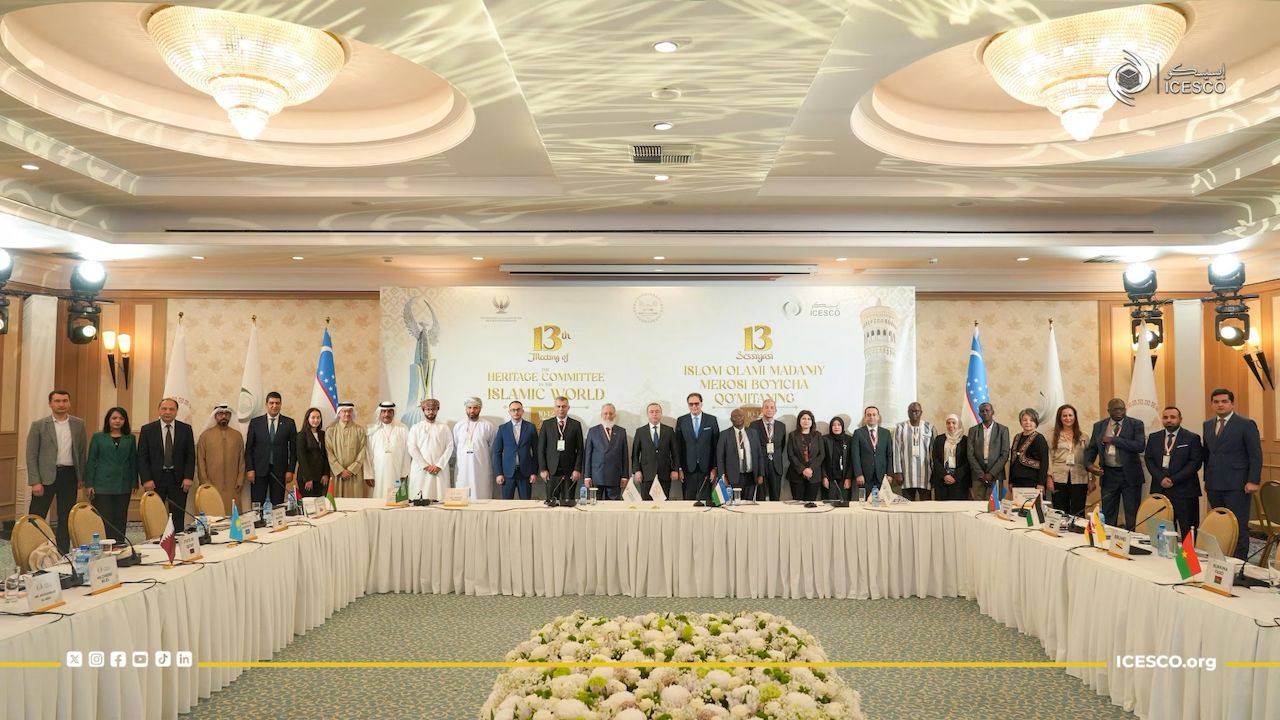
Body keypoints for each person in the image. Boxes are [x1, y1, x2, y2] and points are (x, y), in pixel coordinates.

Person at [1202, 388, 1262, 560]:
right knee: (1220, 523)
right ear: (1212, 404)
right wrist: (1207, 479)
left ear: (1232, 403)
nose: (1220, 405)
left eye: (1224, 401)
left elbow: (1255, 454)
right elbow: (1207, 454)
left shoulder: (1246, 424)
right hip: (1214, 484)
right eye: (1216, 402)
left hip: (1238, 484)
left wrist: (1253, 480)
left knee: (1238, 525)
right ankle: (1221, 559)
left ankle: (1239, 561)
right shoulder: (1207, 425)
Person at [26, 390, 87, 553]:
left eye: (65, 401)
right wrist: (35, 481)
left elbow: (81, 452)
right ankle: (33, 551)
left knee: (66, 517)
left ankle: (62, 552)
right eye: (57, 401)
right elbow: (31, 455)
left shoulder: (78, 424)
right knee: (36, 516)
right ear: (50, 404)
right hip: (44, 477)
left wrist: (81, 477)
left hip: (69, 475)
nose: (61, 404)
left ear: (69, 403)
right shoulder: (39, 425)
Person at [1084, 398, 1146, 530]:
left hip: (1129, 475)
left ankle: (1131, 539)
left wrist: (1114, 440)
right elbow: (1092, 449)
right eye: (1115, 409)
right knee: (1108, 513)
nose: (1119, 412)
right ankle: (1107, 538)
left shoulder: (1136, 424)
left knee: (1132, 513)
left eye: (1121, 409)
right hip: (1108, 475)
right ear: (1108, 411)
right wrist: (1089, 465)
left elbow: (1140, 446)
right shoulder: (1099, 426)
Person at [137, 398, 196, 532]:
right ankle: (156, 540)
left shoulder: (185, 429)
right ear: (159, 411)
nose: (167, 412)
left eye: (171, 409)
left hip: (179, 480)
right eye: (164, 409)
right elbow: (142, 457)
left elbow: (190, 455)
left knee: (178, 516)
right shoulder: (147, 429)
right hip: (154, 480)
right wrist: (146, 479)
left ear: (176, 412)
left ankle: (178, 540)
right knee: (154, 515)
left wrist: (188, 477)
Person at [1144, 406, 1203, 537]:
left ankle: (1188, 551)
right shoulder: (1154, 437)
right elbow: (1149, 460)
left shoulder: (1192, 438)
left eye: (1173, 417)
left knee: (1188, 528)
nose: (1169, 420)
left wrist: (1173, 479)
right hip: (1160, 488)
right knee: (1163, 528)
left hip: (1185, 490)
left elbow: (1195, 463)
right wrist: (1161, 478)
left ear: (1180, 419)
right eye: (1165, 417)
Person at [85, 407, 136, 545]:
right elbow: (91, 460)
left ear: (125, 421)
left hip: (123, 484)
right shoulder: (98, 437)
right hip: (102, 485)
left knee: (120, 517)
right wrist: (89, 484)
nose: (117, 421)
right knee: (105, 518)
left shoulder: (130, 438)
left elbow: (133, 461)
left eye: (121, 418)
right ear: (108, 420)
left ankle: (119, 545)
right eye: (114, 418)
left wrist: (134, 482)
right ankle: (105, 546)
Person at [244, 391, 296, 507]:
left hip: (280, 471)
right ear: (266, 404)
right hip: (259, 470)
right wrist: (250, 469)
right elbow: (249, 449)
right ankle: (258, 519)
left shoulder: (289, 423)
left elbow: (293, 450)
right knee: (257, 504)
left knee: (278, 505)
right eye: (271, 403)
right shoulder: (255, 423)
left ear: (281, 404)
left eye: (277, 403)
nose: (274, 406)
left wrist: (290, 470)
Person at [196, 404, 245, 514]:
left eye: (227, 414)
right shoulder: (205, 436)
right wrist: (205, 482)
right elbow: (200, 461)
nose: (223, 416)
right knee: (213, 513)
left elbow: (242, 460)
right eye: (220, 414)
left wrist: (240, 479)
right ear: (215, 416)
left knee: (233, 512)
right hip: (212, 483)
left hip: (233, 484)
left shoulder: (237, 436)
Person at [1047, 404, 1090, 516]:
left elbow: (1088, 459)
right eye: (1064, 416)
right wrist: (1049, 478)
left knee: (1078, 512)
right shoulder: (1051, 435)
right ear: (1060, 418)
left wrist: (1091, 479)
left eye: (1070, 415)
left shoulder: (1084, 436)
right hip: (1058, 478)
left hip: (1079, 478)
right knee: (1060, 512)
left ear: (1075, 417)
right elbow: (1049, 457)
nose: (1068, 418)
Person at [538, 395, 584, 503]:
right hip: (551, 471)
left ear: (568, 408)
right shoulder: (546, 424)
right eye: (558, 406)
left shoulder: (576, 425)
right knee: (551, 502)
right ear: (554, 408)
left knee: (568, 503)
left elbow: (580, 450)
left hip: (570, 472)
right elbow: (541, 449)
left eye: (564, 406)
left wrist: (577, 469)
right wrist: (543, 469)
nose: (561, 409)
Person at [675, 392, 719, 501]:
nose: (694, 406)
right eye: (691, 404)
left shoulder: (711, 420)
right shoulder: (681, 420)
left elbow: (716, 446)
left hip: (706, 469)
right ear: (688, 405)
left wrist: (714, 468)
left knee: (705, 502)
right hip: (687, 470)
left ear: (701, 404)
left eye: (696, 403)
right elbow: (678, 447)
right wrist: (679, 468)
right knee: (688, 502)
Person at [408, 398, 454, 500]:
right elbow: (412, 448)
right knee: (420, 499)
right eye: (428, 409)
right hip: (421, 469)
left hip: (440, 470)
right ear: (423, 410)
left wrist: (439, 465)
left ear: (437, 409)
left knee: (440, 499)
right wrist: (425, 465)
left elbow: (450, 447)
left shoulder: (444, 428)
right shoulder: (415, 428)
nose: (431, 412)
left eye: (433, 409)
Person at [631, 402, 678, 501]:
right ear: (647, 414)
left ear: (661, 413)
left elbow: (675, 453)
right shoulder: (640, 431)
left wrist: (675, 469)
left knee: (663, 504)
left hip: (664, 474)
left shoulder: (669, 431)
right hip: (646, 475)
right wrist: (637, 471)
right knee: (647, 504)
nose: (654, 414)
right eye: (651, 412)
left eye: (657, 411)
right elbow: (635, 454)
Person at [492, 400, 538, 500]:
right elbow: (497, 452)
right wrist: (499, 473)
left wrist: (534, 472)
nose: (516, 412)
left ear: (522, 411)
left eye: (518, 410)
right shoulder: (502, 428)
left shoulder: (530, 427)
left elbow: (536, 451)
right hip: (507, 474)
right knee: (507, 504)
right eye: (513, 410)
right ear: (509, 412)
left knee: (526, 503)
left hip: (525, 473)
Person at [584, 403, 629, 500]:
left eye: (611, 413)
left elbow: (625, 456)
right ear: (601, 415)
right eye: (605, 413)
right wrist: (587, 476)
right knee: (595, 505)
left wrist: (625, 476)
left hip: (614, 476)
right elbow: (587, 455)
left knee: (613, 506)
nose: (608, 416)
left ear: (615, 415)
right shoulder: (593, 431)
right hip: (596, 476)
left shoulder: (621, 431)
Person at [366, 401, 410, 501]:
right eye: (384, 411)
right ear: (380, 413)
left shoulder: (403, 429)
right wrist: (369, 475)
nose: (387, 414)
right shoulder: (372, 430)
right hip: (378, 473)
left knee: (396, 501)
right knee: (378, 500)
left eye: (390, 411)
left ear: (393, 413)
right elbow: (367, 454)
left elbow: (407, 453)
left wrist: (404, 473)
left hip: (397, 472)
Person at [453, 397, 495, 500]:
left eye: (475, 407)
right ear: (465, 408)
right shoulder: (458, 426)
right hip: (462, 468)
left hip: (482, 468)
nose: (472, 410)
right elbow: (455, 446)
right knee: (462, 496)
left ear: (480, 408)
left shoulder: (488, 426)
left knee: (482, 495)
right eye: (469, 407)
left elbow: (493, 447)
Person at [966, 402, 1009, 502]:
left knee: (994, 506)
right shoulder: (973, 430)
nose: (985, 413)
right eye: (982, 411)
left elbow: (1005, 454)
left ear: (992, 412)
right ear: (979, 414)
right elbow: (970, 454)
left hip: (996, 475)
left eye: (987, 410)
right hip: (978, 475)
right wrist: (981, 474)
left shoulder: (1003, 430)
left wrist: (991, 473)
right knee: (978, 505)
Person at [893, 402, 935, 501]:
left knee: (926, 505)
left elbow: (934, 452)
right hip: (906, 475)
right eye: (911, 411)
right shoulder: (900, 427)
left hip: (926, 475)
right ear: (908, 412)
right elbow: (896, 450)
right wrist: (898, 472)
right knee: (907, 505)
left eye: (917, 411)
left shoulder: (929, 427)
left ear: (921, 412)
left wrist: (934, 474)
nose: (914, 413)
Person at [716, 408, 760, 500]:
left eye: (740, 416)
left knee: (748, 503)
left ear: (744, 417)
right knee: (733, 503)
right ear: (731, 419)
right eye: (735, 416)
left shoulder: (753, 433)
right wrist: (722, 476)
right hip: (732, 477)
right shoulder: (724, 435)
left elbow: (759, 455)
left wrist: (760, 474)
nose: (738, 418)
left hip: (751, 476)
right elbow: (720, 458)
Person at [325, 402, 367, 498]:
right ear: (339, 413)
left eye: (349, 411)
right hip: (337, 474)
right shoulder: (330, 430)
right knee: (337, 502)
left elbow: (362, 451)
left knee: (354, 502)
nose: (347, 414)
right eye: (344, 411)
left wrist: (351, 470)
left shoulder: (360, 430)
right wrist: (340, 470)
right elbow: (329, 452)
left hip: (355, 474)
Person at [749, 398, 787, 501]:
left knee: (775, 496)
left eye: (772, 407)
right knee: (760, 496)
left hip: (776, 466)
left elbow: (782, 445)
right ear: (762, 409)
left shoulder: (781, 426)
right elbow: (753, 447)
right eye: (766, 407)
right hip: (761, 466)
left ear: (775, 410)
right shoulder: (754, 425)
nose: (769, 410)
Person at [852, 406, 892, 498]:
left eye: (874, 415)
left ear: (878, 417)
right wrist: (858, 474)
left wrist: (890, 473)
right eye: (869, 415)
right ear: (865, 417)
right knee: (866, 503)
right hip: (865, 477)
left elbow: (889, 455)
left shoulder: (886, 433)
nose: (871, 417)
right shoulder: (858, 433)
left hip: (882, 476)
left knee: (881, 502)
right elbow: (855, 455)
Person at [1008, 408, 1049, 496]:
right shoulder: (1017, 437)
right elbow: (1013, 460)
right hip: (1017, 481)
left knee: (1032, 505)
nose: (1028, 422)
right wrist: (1010, 481)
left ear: (1036, 422)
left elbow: (1044, 461)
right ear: (1021, 422)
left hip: (1033, 481)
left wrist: (1041, 483)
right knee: (1018, 504)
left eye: (1031, 420)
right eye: (1025, 420)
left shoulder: (1039, 438)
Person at [786, 410, 825, 501]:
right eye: (803, 418)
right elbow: (791, 455)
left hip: (814, 475)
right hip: (796, 474)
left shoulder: (818, 435)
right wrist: (803, 469)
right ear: (799, 421)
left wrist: (811, 469)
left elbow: (822, 454)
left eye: (809, 419)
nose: (806, 421)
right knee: (798, 504)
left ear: (812, 422)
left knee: (810, 503)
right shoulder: (792, 435)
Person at [930, 414, 970, 501]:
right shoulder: (939, 439)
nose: (951, 425)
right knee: (941, 507)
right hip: (942, 480)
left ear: (959, 424)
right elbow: (935, 459)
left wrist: (955, 477)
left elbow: (967, 461)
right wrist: (944, 475)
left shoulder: (965, 440)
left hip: (960, 481)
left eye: (953, 423)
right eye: (948, 423)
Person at [295, 407, 329, 498]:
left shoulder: (323, 434)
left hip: (321, 477)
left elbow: (325, 455)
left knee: (320, 503)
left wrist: (325, 473)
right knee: (309, 503)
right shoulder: (301, 435)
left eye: (318, 417)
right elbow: (301, 457)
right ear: (307, 419)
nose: (316, 420)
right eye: (313, 417)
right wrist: (308, 478)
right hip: (306, 478)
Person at [822, 416, 853, 502]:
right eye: (834, 425)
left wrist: (849, 477)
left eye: (839, 425)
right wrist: (824, 477)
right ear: (831, 427)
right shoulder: (825, 439)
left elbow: (851, 461)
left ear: (842, 426)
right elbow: (822, 461)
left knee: (844, 503)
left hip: (844, 479)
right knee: (829, 504)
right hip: (829, 478)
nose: (836, 427)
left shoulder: (849, 439)